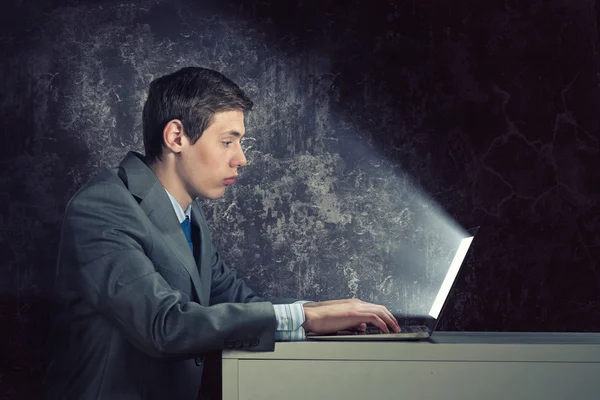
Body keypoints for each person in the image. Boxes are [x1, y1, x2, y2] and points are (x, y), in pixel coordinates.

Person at [42, 67, 400, 399]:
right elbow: (165, 325)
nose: (241, 158)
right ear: (176, 136)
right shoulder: (102, 207)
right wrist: (306, 318)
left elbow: (239, 302)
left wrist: (326, 312)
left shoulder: (187, 214)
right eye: (228, 141)